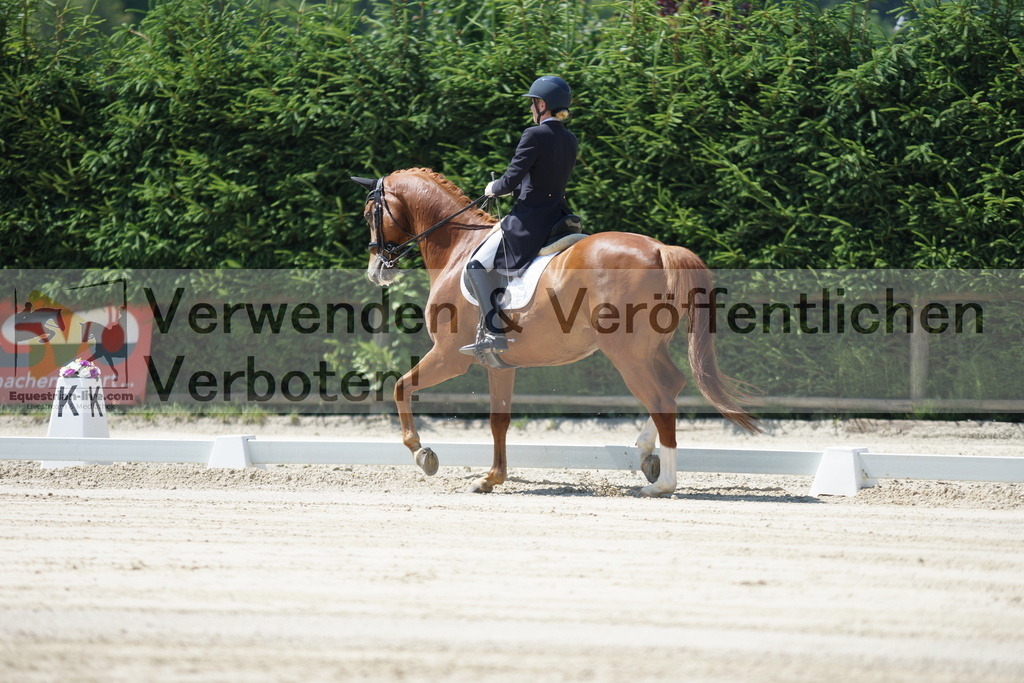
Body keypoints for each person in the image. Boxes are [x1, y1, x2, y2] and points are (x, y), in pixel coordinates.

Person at [460, 75, 579, 357]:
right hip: (559, 217)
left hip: (529, 220)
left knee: (476, 265)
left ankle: (493, 332)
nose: (530, 109)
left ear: (542, 104)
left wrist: (494, 188)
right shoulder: (570, 139)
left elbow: (512, 179)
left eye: (532, 103)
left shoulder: (534, 134)